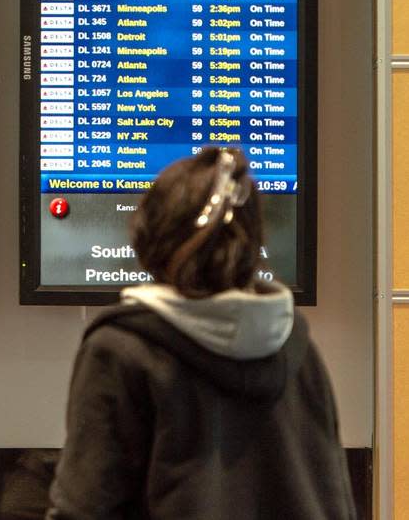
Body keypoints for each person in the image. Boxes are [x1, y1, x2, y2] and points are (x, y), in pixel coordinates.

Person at [46, 147, 355, 520]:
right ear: (254, 240)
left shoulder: (121, 349)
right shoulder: (296, 344)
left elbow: (85, 508)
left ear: (148, 237)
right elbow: (333, 496)